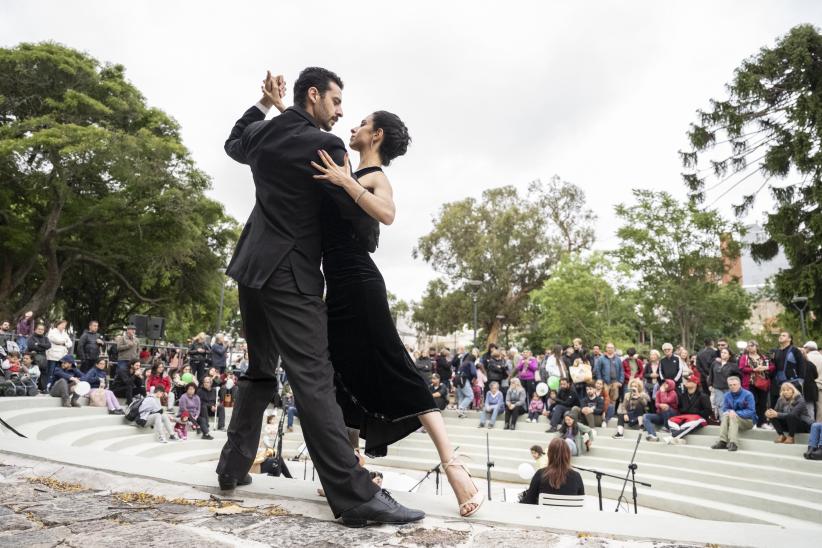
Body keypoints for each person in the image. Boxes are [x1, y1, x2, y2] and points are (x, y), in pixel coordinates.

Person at [218, 68, 424, 526]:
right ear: (313, 96)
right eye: (335, 102)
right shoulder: (326, 148)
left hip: (250, 269)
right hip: (291, 276)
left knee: (258, 370)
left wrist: (265, 104)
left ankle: (232, 466)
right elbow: (357, 225)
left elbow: (234, 142)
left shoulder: (264, 134)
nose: (341, 111)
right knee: (314, 380)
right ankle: (355, 498)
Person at [520, 438, 585, 504]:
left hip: (543, 514)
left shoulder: (540, 474)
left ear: (549, 454)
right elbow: (580, 501)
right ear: (568, 455)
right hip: (568, 514)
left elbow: (528, 501)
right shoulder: (576, 476)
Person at [712, 376, 756, 452]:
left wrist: (736, 413)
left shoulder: (748, 395)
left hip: (748, 421)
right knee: (725, 416)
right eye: (730, 385)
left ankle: (733, 443)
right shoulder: (727, 395)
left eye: (734, 384)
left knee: (733, 416)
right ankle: (723, 441)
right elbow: (725, 408)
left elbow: (751, 411)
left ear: (739, 384)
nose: (732, 387)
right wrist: (730, 412)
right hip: (733, 419)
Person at [737, 340, 774, 427]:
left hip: (763, 383)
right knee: (752, 402)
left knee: (763, 403)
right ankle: (753, 421)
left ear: (757, 346)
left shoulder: (763, 357)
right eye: (748, 346)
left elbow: (772, 367)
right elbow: (741, 368)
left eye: (752, 345)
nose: (750, 347)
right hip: (750, 383)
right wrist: (754, 369)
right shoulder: (745, 357)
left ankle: (763, 422)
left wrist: (765, 368)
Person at [665, 376, 711, 444]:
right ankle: (679, 439)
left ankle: (673, 436)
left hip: (699, 418)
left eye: (689, 381)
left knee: (691, 422)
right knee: (671, 420)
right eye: (687, 380)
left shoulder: (703, 396)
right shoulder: (682, 396)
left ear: (695, 384)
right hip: (685, 417)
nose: (687, 382)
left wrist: (695, 412)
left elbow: (708, 411)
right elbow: (679, 408)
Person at [709, 348, 740, 420]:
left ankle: (730, 420)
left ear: (729, 355)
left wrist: (735, 384)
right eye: (722, 352)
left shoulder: (733, 365)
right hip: (717, 388)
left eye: (725, 353)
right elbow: (711, 374)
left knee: (729, 404)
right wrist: (710, 384)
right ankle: (723, 421)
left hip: (729, 388)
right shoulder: (715, 363)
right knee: (720, 404)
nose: (723, 354)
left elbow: (738, 376)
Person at [45, 320, 72, 389]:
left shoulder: (65, 333)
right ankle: (47, 386)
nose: (64, 326)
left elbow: (70, 344)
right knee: (51, 372)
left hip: (62, 357)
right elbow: (56, 340)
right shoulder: (52, 331)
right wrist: (64, 341)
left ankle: (54, 386)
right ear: (58, 324)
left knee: (59, 372)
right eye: (62, 324)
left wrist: (64, 343)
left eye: (65, 325)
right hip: (53, 356)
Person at [27, 323, 51, 391]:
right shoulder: (31, 337)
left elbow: (49, 346)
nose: (40, 330)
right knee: (35, 372)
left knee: (44, 372)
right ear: (35, 329)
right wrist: (43, 347)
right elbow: (31, 346)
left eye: (42, 329)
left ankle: (42, 388)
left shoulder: (45, 338)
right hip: (34, 357)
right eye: (39, 329)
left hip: (43, 357)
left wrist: (39, 344)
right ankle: (32, 387)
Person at [804, 341, 822, 421]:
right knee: (820, 408)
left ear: (807, 348)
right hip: (820, 386)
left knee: (809, 407)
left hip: (809, 386)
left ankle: (810, 425)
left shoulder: (806, 358)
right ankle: (819, 425)